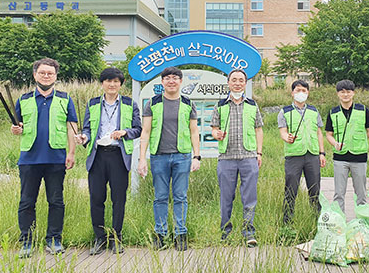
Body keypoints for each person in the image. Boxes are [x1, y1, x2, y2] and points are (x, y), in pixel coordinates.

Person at [11, 58, 78, 258]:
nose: (46, 76)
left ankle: (54, 239)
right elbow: (17, 127)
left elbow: (71, 127)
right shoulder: (23, 99)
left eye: (50, 73)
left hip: (56, 159)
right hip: (29, 159)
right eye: (42, 73)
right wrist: (15, 129)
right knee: (26, 202)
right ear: (35, 75)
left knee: (56, 201)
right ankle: (27, 242)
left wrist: (71, 153)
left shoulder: (65, 99)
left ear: (56, 77)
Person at [76, 67, 142, 255]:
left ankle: (116, 238)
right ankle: (99, 238)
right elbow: (87, 128)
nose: (112, 84)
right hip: (98, 155)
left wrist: (125, 132)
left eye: (116, 81)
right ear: (102, 83)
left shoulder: (130, 103)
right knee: (97, 198)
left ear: (121, 84)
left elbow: (138, 128)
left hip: (118, 155)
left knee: (118, 199)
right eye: (108, 81)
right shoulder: (93, 103)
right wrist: (84, 137)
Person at [138, 66, 201, 251]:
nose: (171, 81)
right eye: (167, 78)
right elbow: (146, 131)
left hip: (182, 156)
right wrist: (142, 158)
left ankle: (180, 234)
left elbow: (194, 131)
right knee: (160, 197)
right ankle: (161, 234)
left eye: (175, 77)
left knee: (181, 196)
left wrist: (196, 156)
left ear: (181, 81)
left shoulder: (188, 103)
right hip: (159, 157)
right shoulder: (153, 102)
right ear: (162, 82)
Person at [211, 69, 263, 247]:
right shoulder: (220, 105)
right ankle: (225, 231)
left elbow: (258, 129)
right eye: (234, 80)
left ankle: (249, 232)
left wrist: (259, 153)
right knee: (226, 196)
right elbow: (213, 128)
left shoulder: (252, 105)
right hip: (226, 158)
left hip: (248, 156)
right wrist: (216, 133)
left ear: (245, 84)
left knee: (249, 197)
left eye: (241, 80)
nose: (238, 83)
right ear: (228, 83)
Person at [278, 80, 326, 228]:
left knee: (315, 189)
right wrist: (288, 138)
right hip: (294, 155)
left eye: (304, 91)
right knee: (291, 188)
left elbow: (319, 133)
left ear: (308, 93)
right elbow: (283, 132)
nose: (301, 93)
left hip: (312, 154)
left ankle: (316, 220)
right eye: (298, 90)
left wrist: (322, 153)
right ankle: (287, 222)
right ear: (292, 93)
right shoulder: (284, 111)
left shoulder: (313, 111)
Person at [325, 80, 369, 213]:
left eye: (348, 92)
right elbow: (329, 134)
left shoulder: (364, 110)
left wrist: (358, 141)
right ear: (338, 94)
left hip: (359, 157)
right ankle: (339, 221)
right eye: (342, 92)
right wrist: (335, 143)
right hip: (340, 158)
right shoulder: (333, 112)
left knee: (361, 194)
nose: (345, 94)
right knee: (339, 194)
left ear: (353, 93)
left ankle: (362, 222)